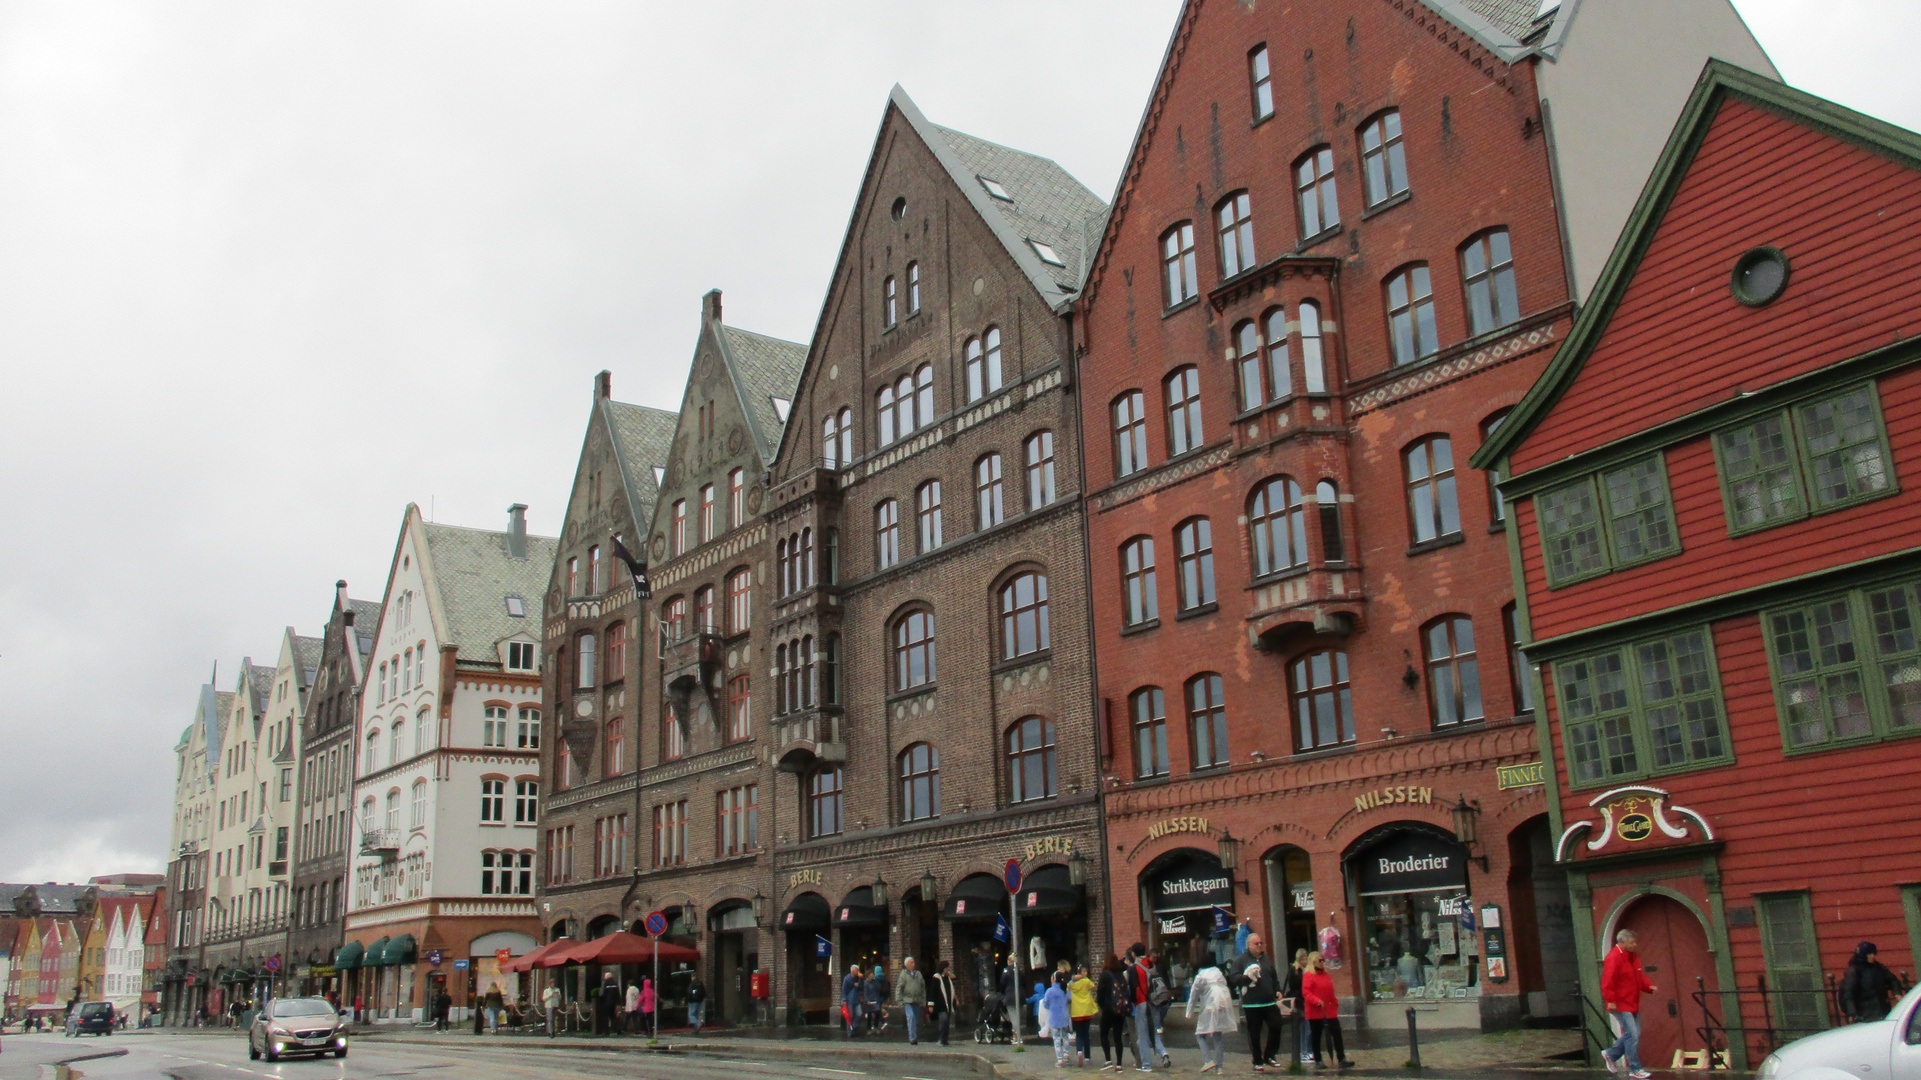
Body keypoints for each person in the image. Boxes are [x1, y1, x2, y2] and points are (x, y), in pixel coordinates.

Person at [1600, 929, 1655, 1080]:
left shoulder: (1632, 957)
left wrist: (1648, 986)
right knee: (1632, 1035)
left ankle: (1611, 1054)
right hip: (1620, 1003)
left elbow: (1637, 977)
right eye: (1632, 942)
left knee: (1634, 1034)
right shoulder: (1614, 957)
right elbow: (1608, 980)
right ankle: (1635, 1068)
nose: (1634, 944)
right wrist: (1610, 999)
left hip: (1631, 1002)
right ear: (1622, 942)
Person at [1230, 932, 1283, 1072]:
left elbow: (1274, 978)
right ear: (1249, 946)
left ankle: (1270, 1055)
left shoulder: (1266, 959)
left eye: (1261, 943)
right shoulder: (1241, 960)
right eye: (1256, 944)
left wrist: (1277, 990)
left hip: (1269, 1001)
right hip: (1252, 1003)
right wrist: (1246, 978)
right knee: (1254, 1032)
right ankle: (1257, 1060)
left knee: (1276, 1025)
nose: (1260, 946)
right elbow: (1234, 977)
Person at [1184, 958, 1236, 1074]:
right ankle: (1219, 1067)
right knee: (1217, 1036)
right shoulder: (1219, 975)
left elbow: (1193, 995)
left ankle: (1208, 1060)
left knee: (1200, 1034)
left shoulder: (1201, 977)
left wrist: (1189, 1013)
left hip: (1209, 1006)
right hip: (1223, 1005)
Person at [1302, 951, 1352, 1070]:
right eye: (1320, 960)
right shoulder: (1308, 975)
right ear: (1313, 962)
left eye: (1323, 960)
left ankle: (1342, 1058)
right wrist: (1316, 1001)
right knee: (1316, 1036)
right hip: (1316, 1011)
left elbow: (1330, 991)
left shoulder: (1325, 975)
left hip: (1329, 1010)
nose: (1323, 962)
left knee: (1337, 1034)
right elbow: (1306, 992)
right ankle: (1318, 1060)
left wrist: (1334, 1003)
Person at [1841, 942, 1900, 1023]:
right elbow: (1848, 993)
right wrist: (1852, 1013)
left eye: (1874, 954)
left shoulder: (1878, 967)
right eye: (1869, 954)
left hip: (1883, 1009)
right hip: (1865, 1013)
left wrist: (1897, 993)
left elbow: (1892, 979)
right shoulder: (1854, 971)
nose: (1873, 956)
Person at [1284, 948, 1312, 1064]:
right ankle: (1303, 1052)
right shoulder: (1295, 970)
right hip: (1299, 1001)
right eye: (1304, 959)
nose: (1306, 961)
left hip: (1304, 1001)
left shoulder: (1304, 970)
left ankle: (1306, 1051)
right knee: (1303, 1028)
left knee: (1306, 1027)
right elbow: (1295, 985)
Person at [1070, 965, 1099, 1067]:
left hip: (1076, 1012)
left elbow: (1068, 985)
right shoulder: (1086, 981)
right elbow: (1094, 987)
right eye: (1084, 972)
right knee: (1086, 1034)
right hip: (1086, 1011)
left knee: (1078, 1034)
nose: (1086, 974)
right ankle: (1087, 1057)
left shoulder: (1072, 984)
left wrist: (1073, 979)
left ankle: (1079, 1052)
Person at [1044, 972, 1074, 1067]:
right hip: (1064, 1017)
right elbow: (1070, 1000)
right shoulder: (1065, 990)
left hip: (1054, 1018)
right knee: (1065, 1036)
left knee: (1056, 1038)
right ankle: (1066, 1054)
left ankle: (1059, 1060)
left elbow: (1045, 1004)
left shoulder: (1049, 991)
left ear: (1053, 979)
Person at [895, 957, 927, 1045]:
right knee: (911, 1017)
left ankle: (914, 1035)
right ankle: (912, 1038)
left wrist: (923, 1000)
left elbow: (923, 987)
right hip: (907, 1000)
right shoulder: (903, 975)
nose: (914, 964)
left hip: (917, 1000)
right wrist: (899, 1000)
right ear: (907, 965)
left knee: (916, 1019)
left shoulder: (918, 974)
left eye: (914, 962)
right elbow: (899, 987)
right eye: (912, 962)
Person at [929, 959, 958, 1047]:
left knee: (947, 1022)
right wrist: (931, 1004)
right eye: (946, 968)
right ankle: (941, 1039)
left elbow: (953, 984)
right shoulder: (936, 978)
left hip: (948, 1003)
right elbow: (932, 991)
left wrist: (955, 999)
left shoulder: (947, 978)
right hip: (940, 1004)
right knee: (943, 1020)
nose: (947, 970)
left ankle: (945, 1039)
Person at [1002, 958, 1024, 1046]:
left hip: (1010, 996)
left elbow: (1002, 983)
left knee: (1013, 1016)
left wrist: (1003, 992)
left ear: (1008, 961)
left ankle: (1018, 1037)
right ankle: (1015, 1035)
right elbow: (1024, 982)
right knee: (1018, 1016)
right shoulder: (1019, 971)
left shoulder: (1006, 970)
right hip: (1020, 995)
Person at [865, 962, 890, 1035]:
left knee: (877, 1012)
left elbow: (878, 990)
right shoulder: (866, 983)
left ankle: (876, 1026)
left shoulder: (875, 981)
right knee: (870, 1015)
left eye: (873, 974)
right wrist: (867, 1000)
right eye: (871, 974)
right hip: (870, 1001)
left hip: (876, 999)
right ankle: (869, 1028)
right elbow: (866, 993)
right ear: (868, 976)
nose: (873, 975)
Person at [841, 965, 864, 1038]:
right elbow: (844, 989)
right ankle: (850, 1031)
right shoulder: (847, 979)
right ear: (853, 970)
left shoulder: (858, 978)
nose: (858, 972)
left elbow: (861, 987)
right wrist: (844, 999)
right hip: (850, 1000)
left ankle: (854, 1027)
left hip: (857, 999)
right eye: (857, 970)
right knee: (850, 1016)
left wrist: (860, 979)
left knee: (859, 1014)